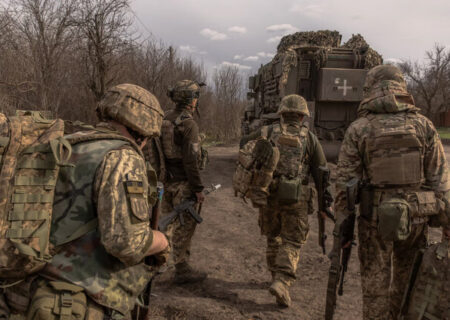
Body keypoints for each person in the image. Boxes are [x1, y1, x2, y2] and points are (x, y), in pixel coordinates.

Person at [1, 83, 169, 319]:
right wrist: (161, 241)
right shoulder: (123, 157)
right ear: (145, 129)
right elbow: (125, 243)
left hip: (24, 291)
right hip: (73, 302)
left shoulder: (68, 141)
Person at [334, 64, 450, 319]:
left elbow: (344, 185)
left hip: (374, 222)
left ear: (371, 89)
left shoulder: (359, 128)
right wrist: (444, 225)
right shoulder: (424, 126)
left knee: (375, 290)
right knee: (407, 284)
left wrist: (342, 227)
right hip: (416, 220)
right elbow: (440, 183)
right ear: (401, 88)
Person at [241, 94, 333, 307]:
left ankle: (275, 276)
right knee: (292, 241)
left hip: (268, 194)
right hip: (296, 197)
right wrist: (325, 202)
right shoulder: (309, 137)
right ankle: (282, 280)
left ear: (281, 114)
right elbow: (321, 172)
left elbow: (244, 143)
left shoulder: (267, 131)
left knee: (273, 237)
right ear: (302, 116)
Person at [159, 79, 207, 284]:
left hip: (165, 183)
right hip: (183, 185)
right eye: (196, 96)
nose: (197, 100)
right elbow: (191, 160)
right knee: (184, 228)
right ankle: (178, 268)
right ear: (191, 100)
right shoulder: (188, 124)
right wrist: (198, 189)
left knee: (166, 226)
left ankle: (167, 264)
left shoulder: (164, 119)